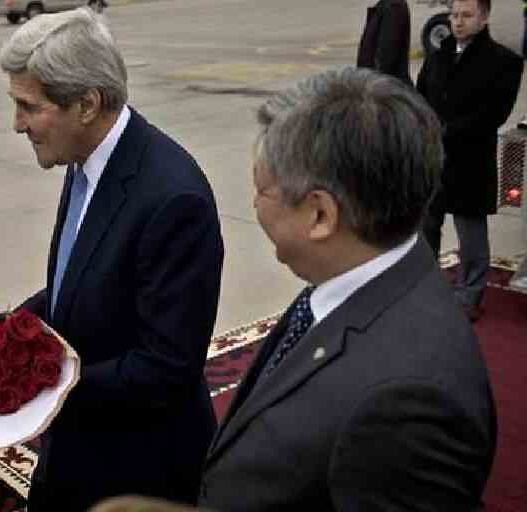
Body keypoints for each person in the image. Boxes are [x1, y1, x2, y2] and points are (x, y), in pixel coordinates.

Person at [197, 67, 496, 510]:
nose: (254, 205)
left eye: (262, 191)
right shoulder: (356, 274)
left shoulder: (405, 406)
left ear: (320, 215)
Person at [0, 8, 224, 510]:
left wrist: (40, 389)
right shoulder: (84, 159)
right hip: (78, 449)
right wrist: (5, 335)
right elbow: (79, 285)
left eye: (28, 107)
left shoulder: (172, 197)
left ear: (86, 104)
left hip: (137, 471)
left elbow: (166, 368)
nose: (17, 125)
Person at [417, 0, 524, 321]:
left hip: (470, 160)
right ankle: (424, 286)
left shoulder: (504, 62)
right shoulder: (438, 56)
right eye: (454, 15)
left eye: (467, 15)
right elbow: (420, 96)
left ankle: (469, 295)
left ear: (484, 17)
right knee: (426, 227)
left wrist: (446, 129)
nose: (458, 22)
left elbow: (494, 115)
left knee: (471, 233)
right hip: (434, 157)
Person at [356, 0, 412, 85]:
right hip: (376, 84)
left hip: (384, 88)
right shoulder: (385, 5)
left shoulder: (394, 6)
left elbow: (386, 56)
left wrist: (374, 84)